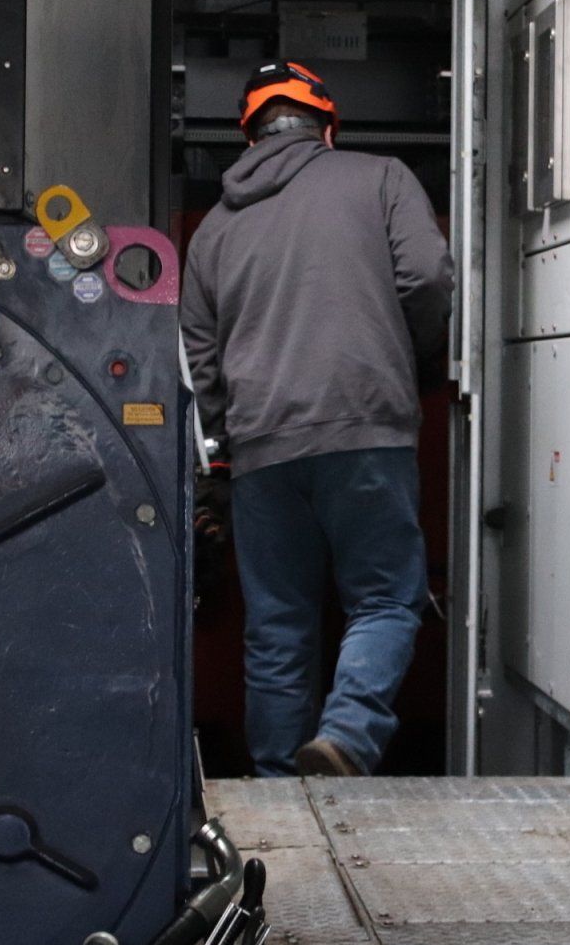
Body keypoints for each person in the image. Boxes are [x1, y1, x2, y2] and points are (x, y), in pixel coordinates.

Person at [181, 62, 455, 778]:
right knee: (387, 600)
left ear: (249, 135)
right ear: (327, 126)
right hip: (366, 425)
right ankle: (347, 737)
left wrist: (220, 453)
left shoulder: (213, 228)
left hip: (261, 447)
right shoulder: (382, 178)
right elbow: (426, 277)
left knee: (277, 629)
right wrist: (415, 364)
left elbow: (197, 357)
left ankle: (277, 787)